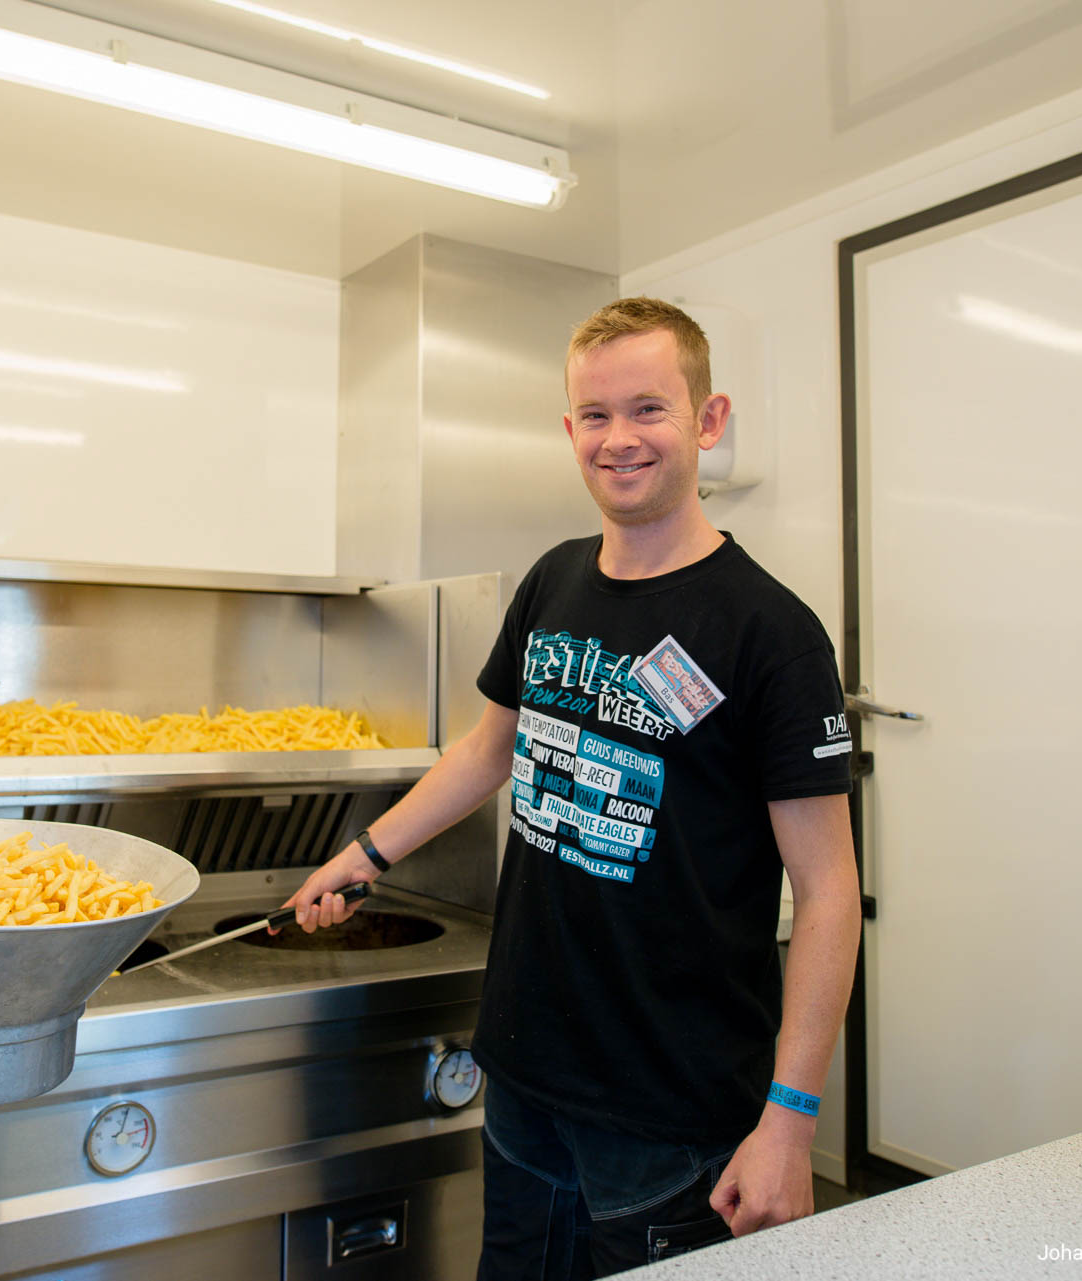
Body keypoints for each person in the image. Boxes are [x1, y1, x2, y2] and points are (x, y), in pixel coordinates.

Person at [287, 298, 862, 1278]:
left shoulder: (771, 631)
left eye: (649, 408)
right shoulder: (554, 581)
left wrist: (791, 1121)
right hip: (525, 1071)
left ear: (708, 420)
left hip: (670, 1106)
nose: (618, 438)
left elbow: (829, 890)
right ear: (569, 430)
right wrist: (362, 854)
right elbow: (489, 749)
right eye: (595, 414)